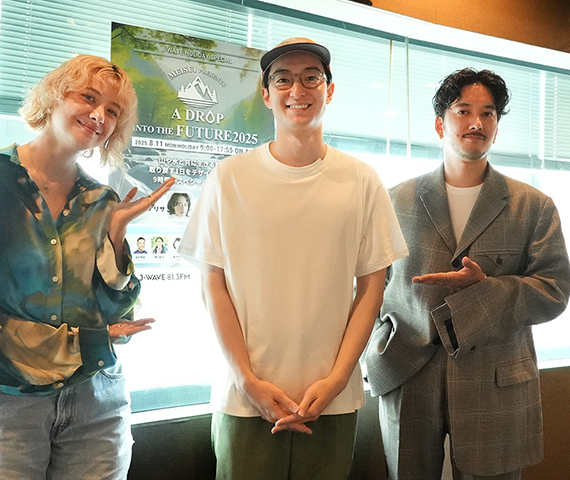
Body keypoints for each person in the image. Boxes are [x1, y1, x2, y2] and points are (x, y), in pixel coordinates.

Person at [0, 55, 175, 480]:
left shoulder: (102, 201)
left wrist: (116, 236)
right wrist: (89, 344)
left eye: (113, 111)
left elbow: (115, 316)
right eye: (89, 97)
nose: (99, 116)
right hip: (1, 403)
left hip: (95, 402)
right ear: (54, 96)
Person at [179, 37, 407, 479]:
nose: (297, 90)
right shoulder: (229, 178)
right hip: (244, 400)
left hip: (331, 399)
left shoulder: (362, 181)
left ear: (329, 90)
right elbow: (212, 284)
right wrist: (246, 379)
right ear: (266, 94)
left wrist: (338, 379)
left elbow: (372, 289)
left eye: (311, 78)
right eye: (283, 79)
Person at [364, 68, 570, 480]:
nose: (476, 122)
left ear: (496, 127)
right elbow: (370, 286)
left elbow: (555, 290)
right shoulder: (394, 200)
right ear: (440, 124)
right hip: (407, 369)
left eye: (488, 114)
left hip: (495, 376)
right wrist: (376, 345)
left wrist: (486, 291)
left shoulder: (534, 205)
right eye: (463, 111)